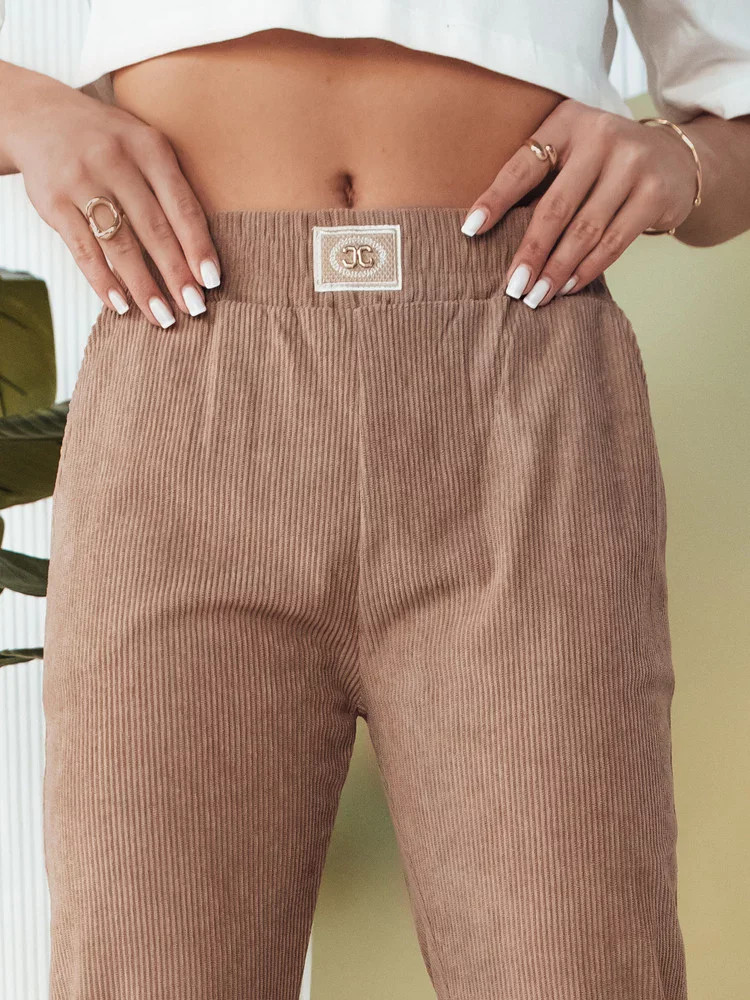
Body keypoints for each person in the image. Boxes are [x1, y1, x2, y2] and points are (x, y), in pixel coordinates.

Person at [1, 2, 749, 998]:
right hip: (188, 378)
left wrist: (682, 161)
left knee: (580, 966)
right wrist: (28, 114)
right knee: (144, 971)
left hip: (515, 389)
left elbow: (735, 101)